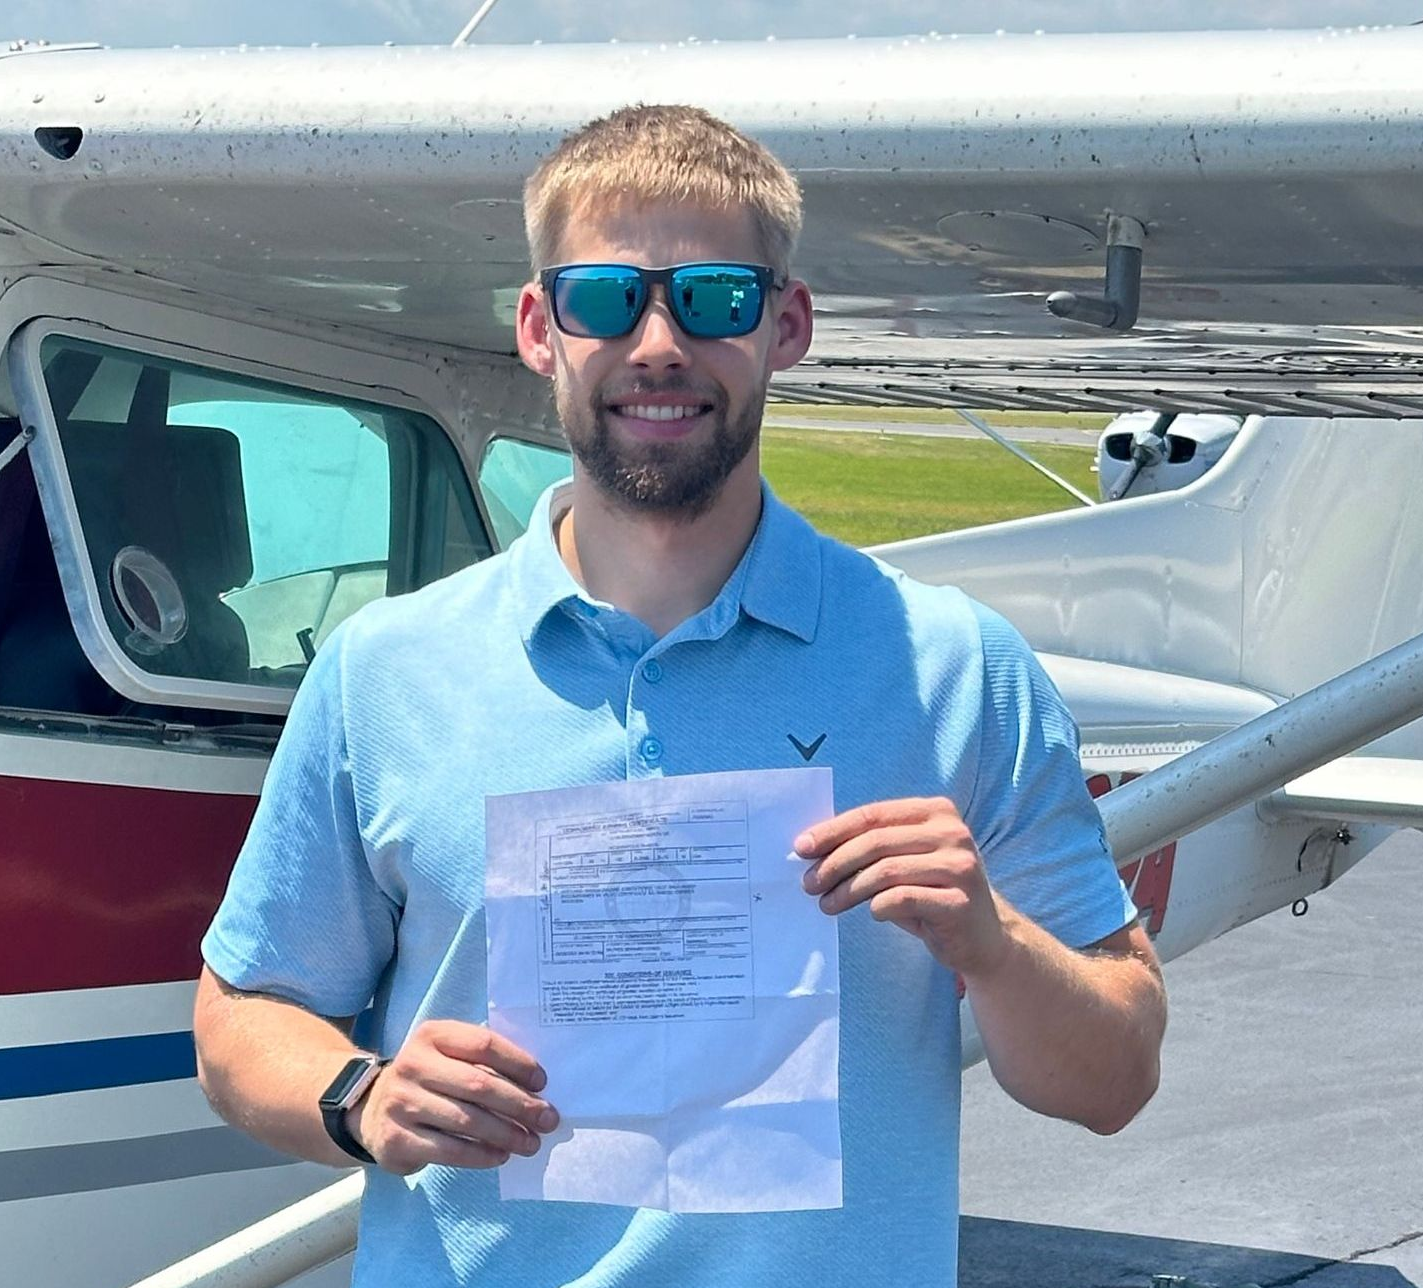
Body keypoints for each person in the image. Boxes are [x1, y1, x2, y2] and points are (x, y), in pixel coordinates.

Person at [194, 103, 1167, 1287]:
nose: (658, 343)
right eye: (605, 298)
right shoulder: (382, 669)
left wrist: (995, 943)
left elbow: (1116, 1077)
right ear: (540, 327)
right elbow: (240, 1017)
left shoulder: (956, 666)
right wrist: (361, 1094)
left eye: (715, 297)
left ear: (786, 325)